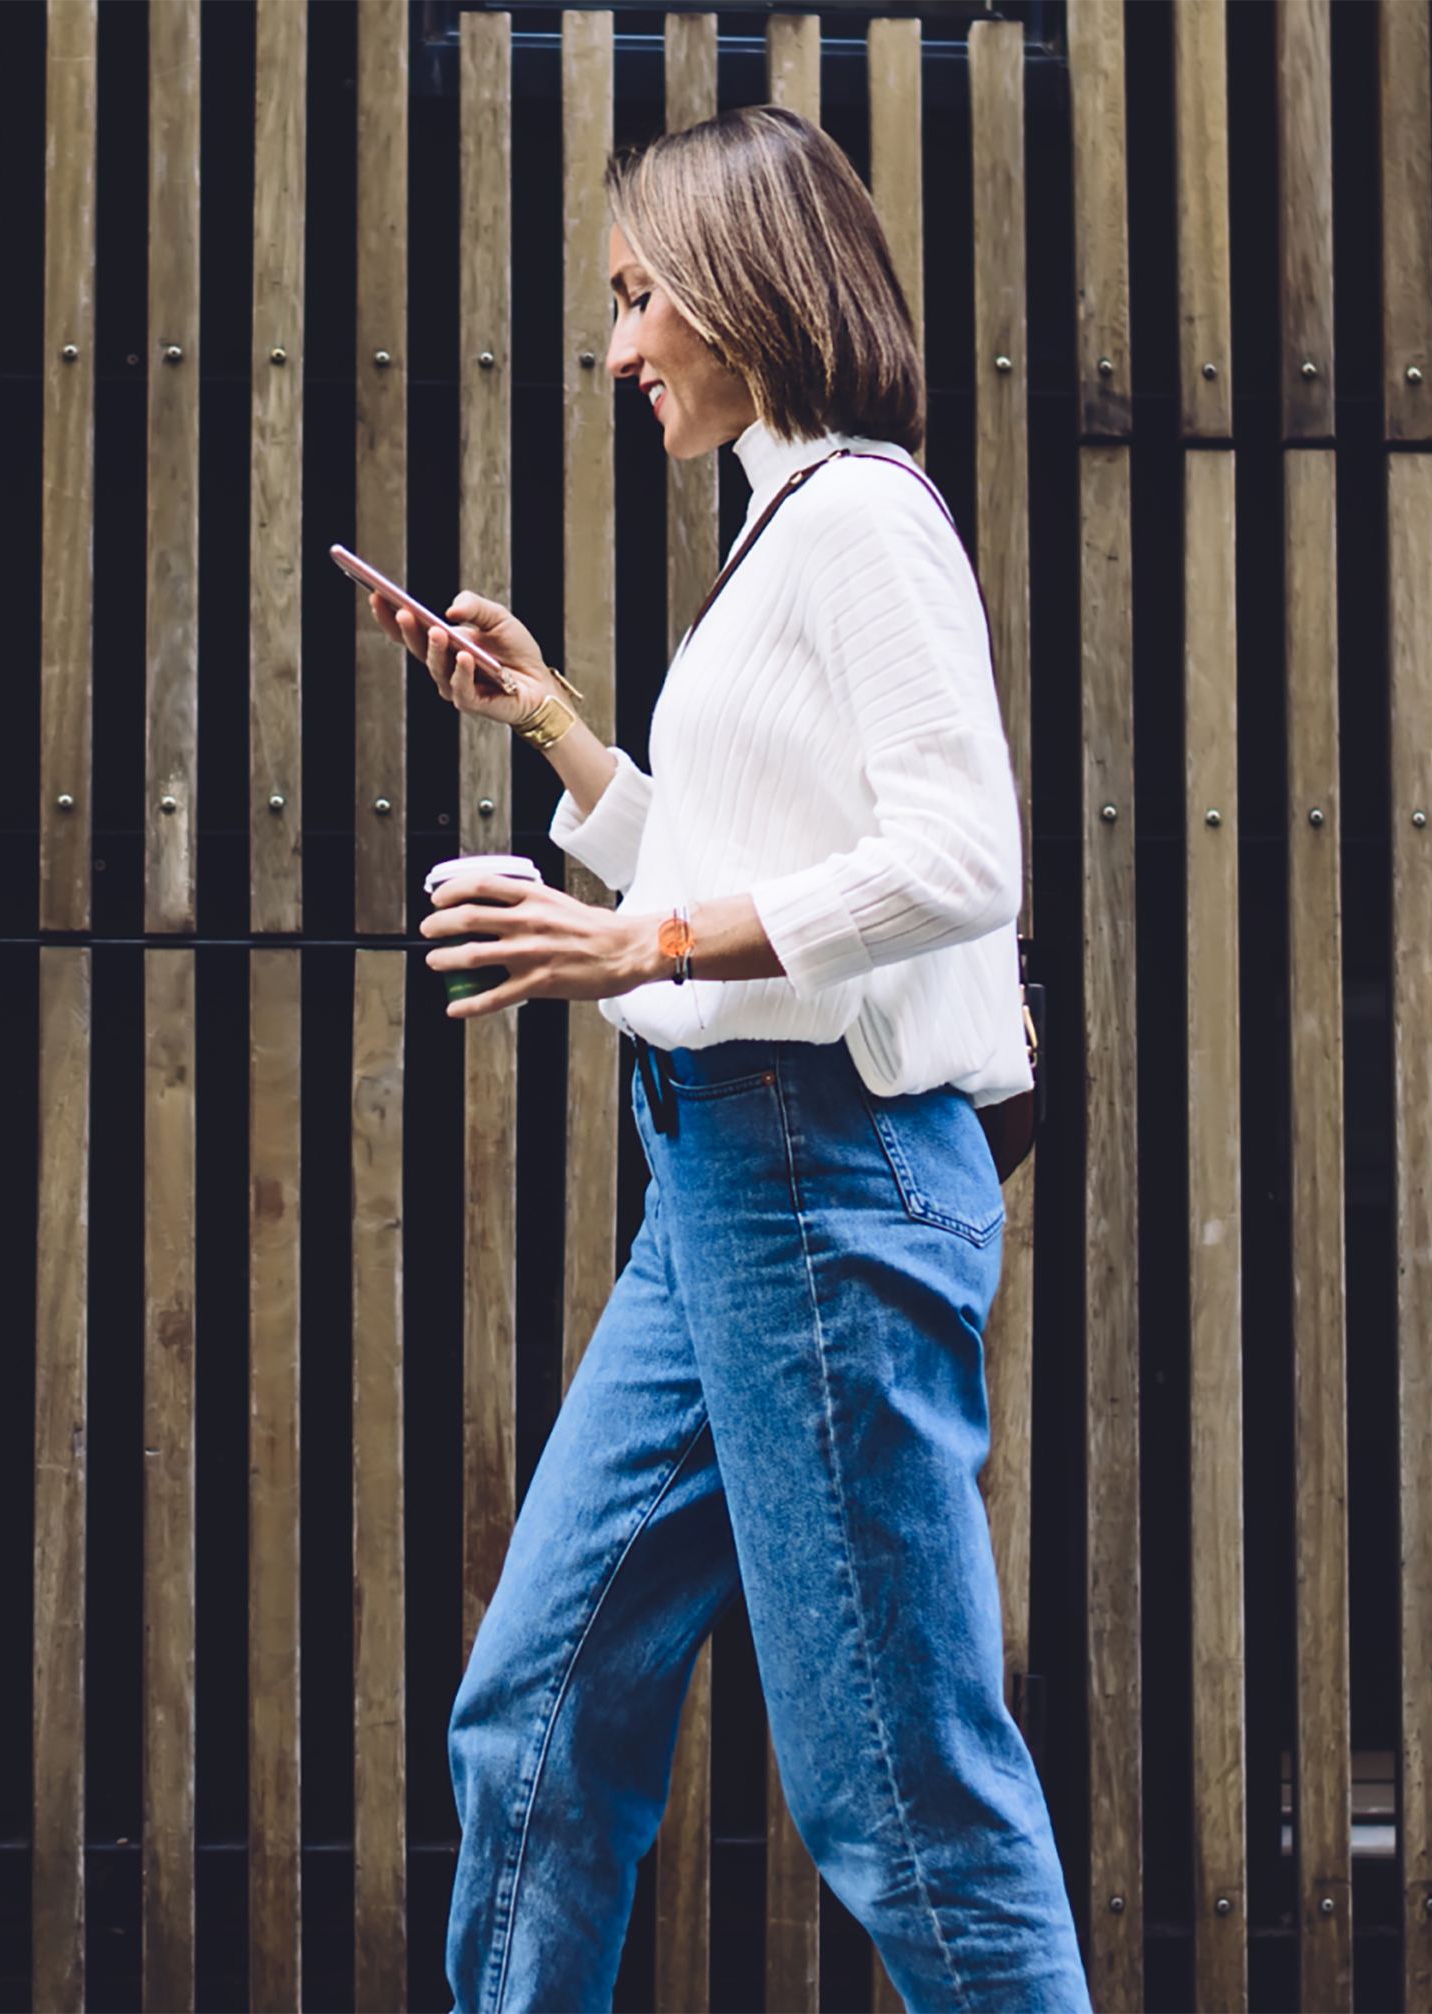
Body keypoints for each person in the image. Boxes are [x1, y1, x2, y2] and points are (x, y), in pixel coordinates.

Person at [373, 105, 1090, 2014]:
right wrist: (559, 736)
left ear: (748, 287)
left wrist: (640, 941)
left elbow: (959, 863)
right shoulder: (784, 524)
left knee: (902, 1796)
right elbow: (748, 852)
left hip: (819, 1176)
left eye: (638, 298)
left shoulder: (861, 515)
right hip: (724, 1189)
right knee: (535, 1709)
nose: (618, 353)